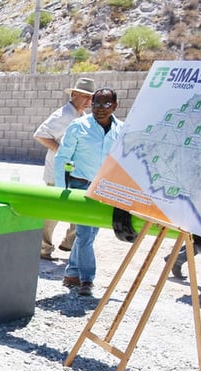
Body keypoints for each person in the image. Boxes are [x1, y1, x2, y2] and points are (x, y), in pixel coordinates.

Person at [53, 88, 123, 298]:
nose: (100, 109)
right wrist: (60, 191)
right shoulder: (78, 126)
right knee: (84, 234)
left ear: (115, 106)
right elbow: (62, 157)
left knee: (90, 235)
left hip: (104, 189)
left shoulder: (121, 130)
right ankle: (87, 279)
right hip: (80, 186)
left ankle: (72, 273)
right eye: (96, 104)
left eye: (105, 105)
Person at [33, 76, 94, 259]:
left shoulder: (81, 116)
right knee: (54, 210)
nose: (87, 101)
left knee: (77, 207)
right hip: (58, 170)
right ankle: (43, 247)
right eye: (84, 96)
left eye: (90, 97)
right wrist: (63, 153)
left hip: (75, 171)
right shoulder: (64, 115)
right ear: (74, 95)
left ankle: (69, 242)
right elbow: (41, 135)